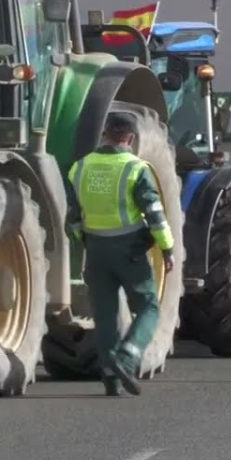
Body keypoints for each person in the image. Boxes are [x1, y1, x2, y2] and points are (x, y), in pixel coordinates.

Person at [65, 112, 175, 396]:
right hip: (130, 251)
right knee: (149, 305)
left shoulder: (80, 168)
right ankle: (128, 356)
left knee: (105, 315)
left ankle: (111, 378)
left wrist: (85, 240)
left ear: (104, 134)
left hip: (96, 250)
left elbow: (74, 217)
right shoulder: (135, 168)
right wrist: (167, 247)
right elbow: (154, 213)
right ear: (130, 138)